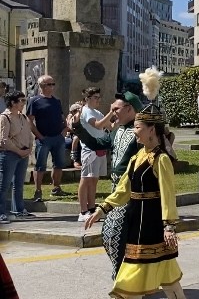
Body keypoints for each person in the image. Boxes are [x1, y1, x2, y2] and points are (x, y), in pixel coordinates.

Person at [85, 103, 186, 299]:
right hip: (137, 222)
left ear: (151, 130)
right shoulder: (138, 156)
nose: (134, 131)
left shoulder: (161, 159)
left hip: (152, 224)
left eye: (138, 127)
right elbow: (124, 189)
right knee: (163, 274)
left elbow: (168, 194)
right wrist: (102, 209)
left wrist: (169, 226)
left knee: (158, 274)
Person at [71, 92, 143, 280]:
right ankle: (123, 275)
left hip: (134, 193)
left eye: (115, 109)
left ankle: (127, 277)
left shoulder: (141, 133)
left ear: (129, 109)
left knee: (122, 234)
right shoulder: (117, 131)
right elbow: (97, 143)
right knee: (111, 233)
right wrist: (78, 127)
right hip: (116, 191)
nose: (112, 113)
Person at [26, 75, 68, 201]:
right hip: (43, 139)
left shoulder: (56, 101)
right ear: (42, 86)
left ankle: (56, 188)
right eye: (49, 84)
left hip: (58, 138)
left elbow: (62, 117)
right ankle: (38, 191)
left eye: (53, 84)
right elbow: (29, 120)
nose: (52, 86)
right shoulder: (34, 101)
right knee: (40, 166)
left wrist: (64, 130)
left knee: (58, 165)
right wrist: (39, 136)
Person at [77, 88, 113, 222]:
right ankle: (83, 211)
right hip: (89, 150)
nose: (99, 100)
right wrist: (111, 112)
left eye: (99, 97)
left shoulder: (97, 112)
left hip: (100, 149)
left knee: (94, 180)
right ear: (87, 99)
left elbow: (110, 126)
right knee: (86, 179)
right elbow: (97, 125)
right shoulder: (86, 111)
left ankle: (91, 208)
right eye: (95, 97)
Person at [0, 91, 34, 223]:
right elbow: (4, 140)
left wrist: (29, 148)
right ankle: (1, 213)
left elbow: (29, 134)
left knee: (19, 184)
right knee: (4, 184)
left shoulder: (22, 117)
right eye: (21, 101)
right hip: (10, 154)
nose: (24, 103)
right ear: (13, 102)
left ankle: (19, 209)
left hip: (23, 154)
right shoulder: (5, 117)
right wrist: (18, 151)